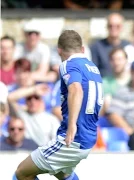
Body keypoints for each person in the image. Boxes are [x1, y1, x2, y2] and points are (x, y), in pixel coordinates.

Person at [14, 30, 103, 180]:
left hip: (73, 137)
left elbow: (76, 89)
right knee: (63, 174)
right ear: (82, 49)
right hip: (87, 136)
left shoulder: (67, 64)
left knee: (22, 173)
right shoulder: (93, 68)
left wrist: (72, 125)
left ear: (59, 51)